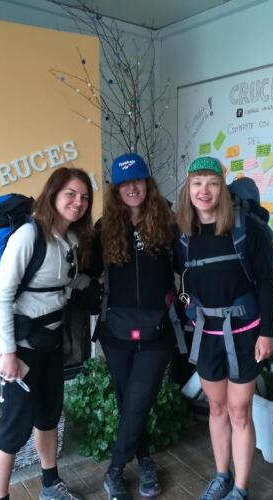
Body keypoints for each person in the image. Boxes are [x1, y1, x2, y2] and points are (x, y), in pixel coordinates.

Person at [175, 156, 273, 500]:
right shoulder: (184, 236)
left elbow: (267, 283)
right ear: (188, 190)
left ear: (223, 188)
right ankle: (221, 476)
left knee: (239, 411)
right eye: (197, 183)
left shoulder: (247, 229)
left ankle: (240, 488)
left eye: (212, 183)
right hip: (207, 335)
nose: (204, 191)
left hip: (246, 333)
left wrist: (267, 331)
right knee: (217, 408)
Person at [0, 167, 94, 500]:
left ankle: (50, 484)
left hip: (51, 346)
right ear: (53, 195)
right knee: (13, 431)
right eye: (70, 194)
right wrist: (7, 353)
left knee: (48, 418)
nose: (78, 202)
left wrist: (95, 284)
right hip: (22, 351)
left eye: (84, 197)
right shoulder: (28, 236)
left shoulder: (70, 239)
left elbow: (62, 284)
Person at [89, 153, 183, 500]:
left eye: (137, 181)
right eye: (124, 183)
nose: (132, 188)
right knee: (129, 400)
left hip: (158, 330)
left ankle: (115, 469)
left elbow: (188, 265)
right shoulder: (104, 228)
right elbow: (87, 270)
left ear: (148, 184)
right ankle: (144, 461)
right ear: (116, 189)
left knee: (140, 397)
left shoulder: (168, 224)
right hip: (116, 331)